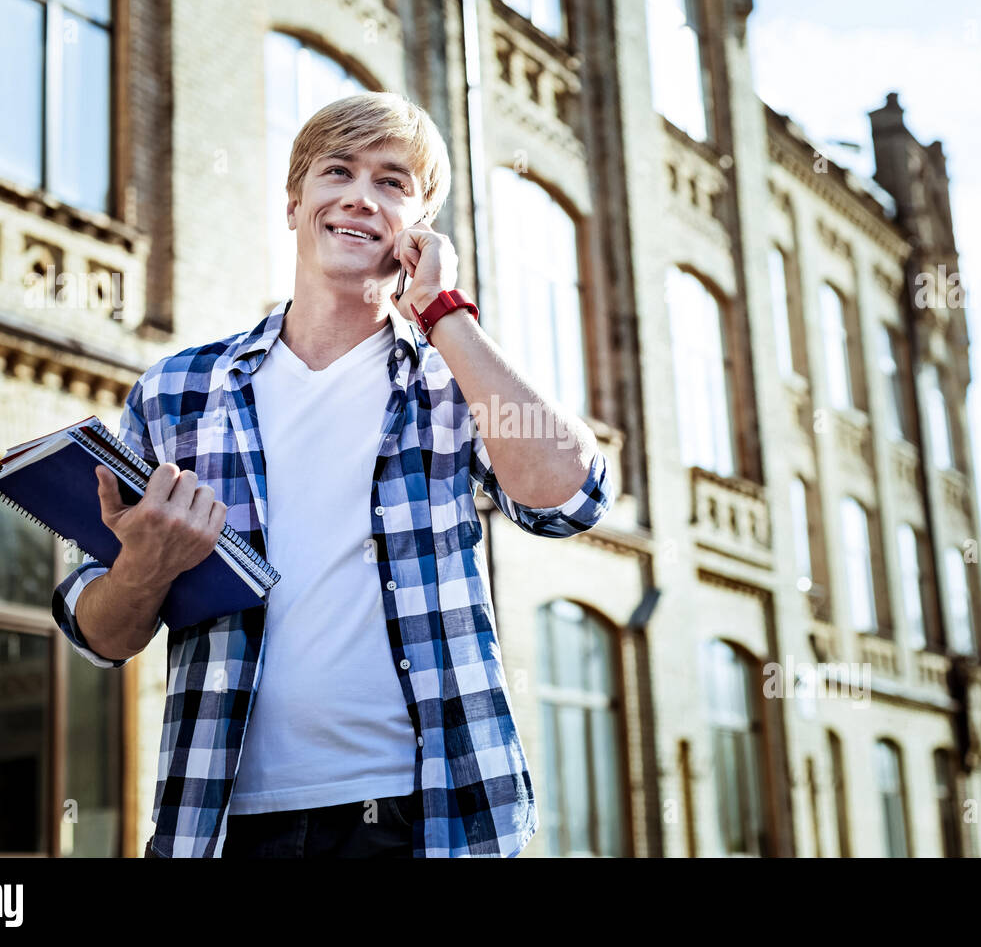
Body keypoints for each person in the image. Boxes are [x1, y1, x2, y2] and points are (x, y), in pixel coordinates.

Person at [50, 91, 613, 858]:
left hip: (429, 818)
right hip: (222, 824)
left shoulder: (453, 386)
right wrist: (144, 571)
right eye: (336, 171)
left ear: (420, 224)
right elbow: (103, 636)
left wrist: (444, 310)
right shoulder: (180, 390)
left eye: (392, 182)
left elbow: (572, 496)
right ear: (293, 203)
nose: (359, 195)